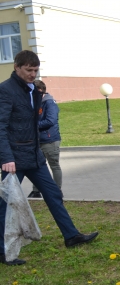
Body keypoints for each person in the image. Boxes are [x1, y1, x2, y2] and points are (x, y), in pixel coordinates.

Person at [0, 50, 98, 266]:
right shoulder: (5, 91)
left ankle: (71, 236)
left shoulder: (32, 89)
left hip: (34, 156)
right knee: (6, 204)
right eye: (28, 70)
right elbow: (1, 126)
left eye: (35, 70)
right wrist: (5, 157)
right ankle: (2, 251)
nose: (32, 74)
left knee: (53, 193)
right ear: (17, 67)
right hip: (14, 159)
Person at [28, 80, 62, 198]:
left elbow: (50, 121)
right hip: (37, 141)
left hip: (50, 140)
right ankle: (36, 191)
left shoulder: (49, 103)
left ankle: (57, 191)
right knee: (36, 166)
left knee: (54, 166)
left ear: (40, 91)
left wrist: (33, 125)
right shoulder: (35, 103)